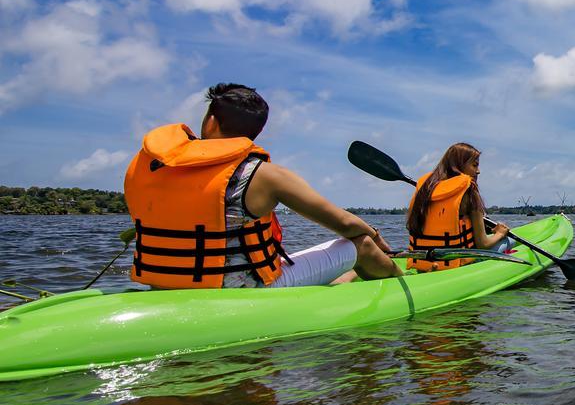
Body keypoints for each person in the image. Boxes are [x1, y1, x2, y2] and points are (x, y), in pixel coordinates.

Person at [123, 83, 401, 290]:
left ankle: (345, 280)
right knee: (362, 244)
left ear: (210, 120)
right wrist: (375, 236)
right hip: (245, 289)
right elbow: (345, 224)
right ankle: (401, 281)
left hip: (161, 285)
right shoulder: (265, 175)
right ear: (258, 130)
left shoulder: (151, 168)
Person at [405, 143, 510, 272]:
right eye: (474, 165)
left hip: (424, 264)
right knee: (509, 241)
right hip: (457, 265)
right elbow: (483, 244)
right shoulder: (470, 192)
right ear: (459, 166)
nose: (478, 171)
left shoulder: (425, 190)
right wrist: (500, 233)